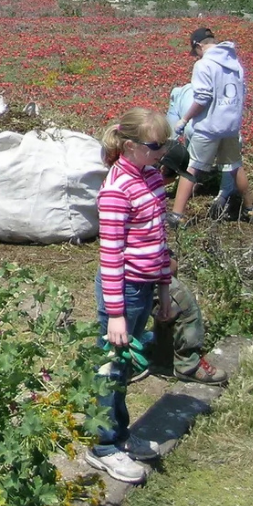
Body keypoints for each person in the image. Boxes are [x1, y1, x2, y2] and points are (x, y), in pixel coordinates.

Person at [85, 107, 175, 486]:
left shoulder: (151, 177)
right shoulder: (117, 188)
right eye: (155, 146)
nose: (162, 153)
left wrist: (165, 289)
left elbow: (159, 239)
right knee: (112, 365)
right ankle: (103, 446)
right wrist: (117, 314)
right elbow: (110, 255)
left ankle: (120, 434)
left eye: (165, 145)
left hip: (145, 286)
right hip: (122, 290)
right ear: (130, 145)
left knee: (125, 365)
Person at [169, 27, 253, 225]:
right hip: (231, 126)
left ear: (199, 46)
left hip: (209, 127)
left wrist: (185, 119)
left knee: (192, 168)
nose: (195, 56)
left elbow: (202, 98)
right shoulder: (235, 63)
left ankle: (176, 215)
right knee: (235, 167)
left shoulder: (204, 65)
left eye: (195, 52)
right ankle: (250, 210)